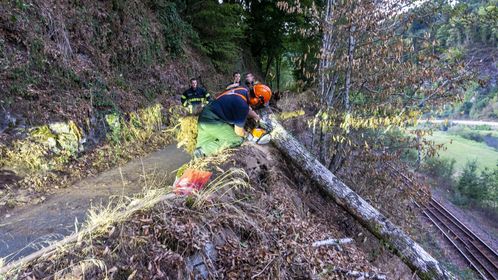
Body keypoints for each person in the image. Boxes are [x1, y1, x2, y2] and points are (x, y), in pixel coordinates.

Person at [194, 84, 272, 158]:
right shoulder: (242, 106)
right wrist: (249, 136)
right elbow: (239, 132)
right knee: (237, 140)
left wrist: (257, 118)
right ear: (256, 100)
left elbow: (247, 108)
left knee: (204, 143)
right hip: (213, 121)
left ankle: (198, 156)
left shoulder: (243, 90)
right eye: (260, 103)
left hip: (204, 115)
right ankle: (203, 151)